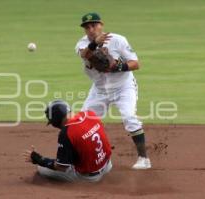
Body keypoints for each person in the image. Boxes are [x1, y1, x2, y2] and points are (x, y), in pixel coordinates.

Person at [75, 12, 151, 169]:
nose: (90, 29)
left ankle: (144, 159)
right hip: (99, 90)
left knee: (129, 117)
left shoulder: (118, 40)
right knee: (83, 123)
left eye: (94, 25)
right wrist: (94, 43)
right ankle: (87, 158)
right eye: (87, 27)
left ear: (101, 25)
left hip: (124, 87)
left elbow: (135, 64)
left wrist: (118, 67)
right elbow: (85, 54)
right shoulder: (81, 44)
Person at [24, 100, 112, 182]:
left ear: (56, 121)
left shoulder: (66, 132)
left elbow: (61, 167)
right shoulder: (89, 114)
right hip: (108, 166)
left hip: (91, 177)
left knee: (41, 169)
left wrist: (39, 159)